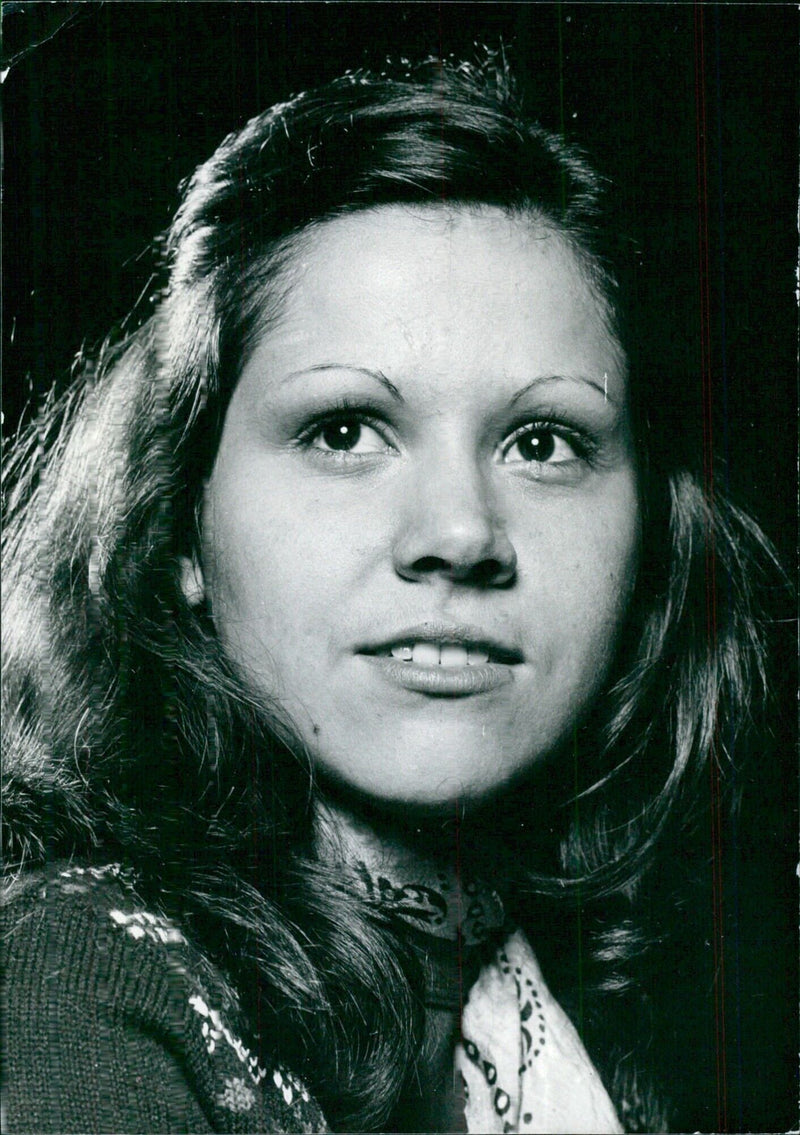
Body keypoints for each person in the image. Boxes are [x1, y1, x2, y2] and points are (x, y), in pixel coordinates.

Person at [1, 54, 786, 1133]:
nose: (458, 533)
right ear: (177, 517)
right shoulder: (70, 991)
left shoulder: (601, 1023)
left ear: (650, 532)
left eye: (542, 440)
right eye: (342, 431)